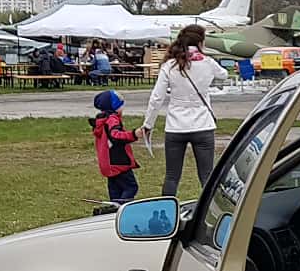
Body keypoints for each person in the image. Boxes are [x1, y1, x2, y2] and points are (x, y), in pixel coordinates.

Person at [139, 25, 224, 197]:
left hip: (176, 126)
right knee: (207, 175)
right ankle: (211, 213)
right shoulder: (207, 62)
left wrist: (148, 124)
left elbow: (157, 98)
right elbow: (223, 75)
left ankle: (168, 213)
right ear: (200, 41)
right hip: (203, 125)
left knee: (172, 176)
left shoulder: (170, 66)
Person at [92, 90, 141, 203]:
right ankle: (121, 207)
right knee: (131, 187)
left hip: (108, 163)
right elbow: (116, 135)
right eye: (120, 105)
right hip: (118, 162)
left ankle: (112, 211)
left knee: (115, 189)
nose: (122, 108)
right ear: (113, 106)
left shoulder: (102, 119)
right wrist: (134, 134)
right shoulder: (112, 119)